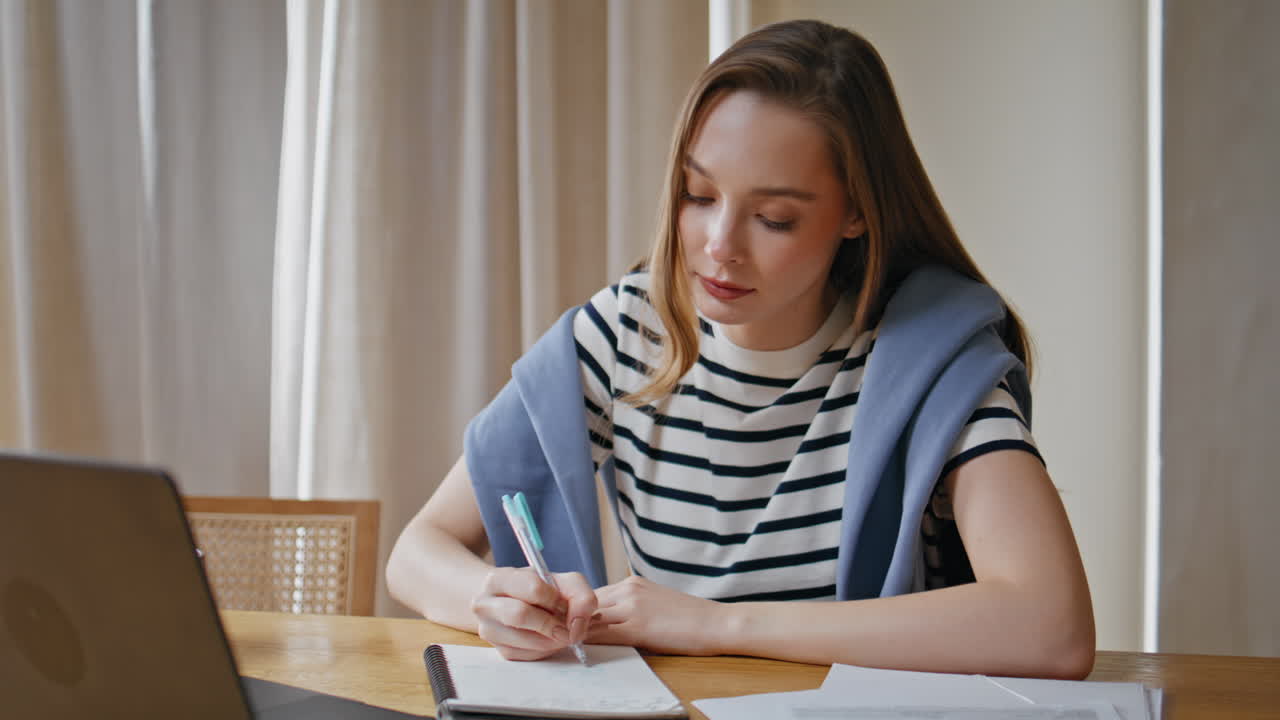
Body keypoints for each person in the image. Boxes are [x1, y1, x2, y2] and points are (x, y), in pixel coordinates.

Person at [387, 19, 1095, 679]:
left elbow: (1053, 627)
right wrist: (493, 598)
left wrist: (716, 624)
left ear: (857, 212)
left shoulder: (927, 361)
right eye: (699, 195)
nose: (720, 247)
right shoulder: (624, 335)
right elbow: (416, 554)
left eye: (775, 217)